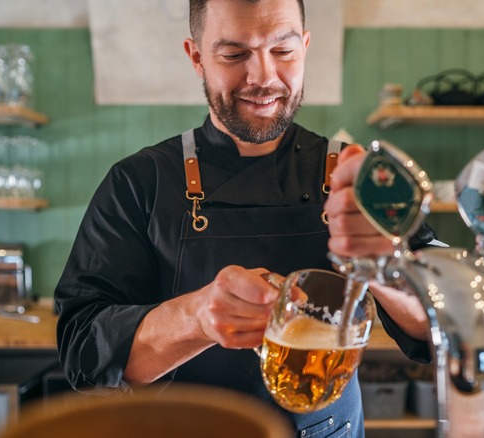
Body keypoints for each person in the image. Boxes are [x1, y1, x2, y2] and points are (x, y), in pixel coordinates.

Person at [55, 0, 436, 436]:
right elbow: (83, 349)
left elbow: (444, 323)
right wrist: (195, 317)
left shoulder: (360, 179)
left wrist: (388, 263)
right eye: (234, 54)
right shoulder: (138, 182)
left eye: (284, 51)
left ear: (306, 47)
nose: (263, 77)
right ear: (196, 57)